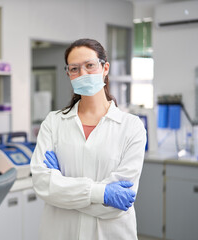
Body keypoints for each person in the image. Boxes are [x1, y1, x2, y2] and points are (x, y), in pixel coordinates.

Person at [30, 38, 146, 239]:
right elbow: (42, 184)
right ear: (68, 74)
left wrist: (61, 188)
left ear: (105, 68)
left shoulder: (131, 126)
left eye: (90, 66)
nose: (82, 74)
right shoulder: (53, 122)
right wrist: (101, 194)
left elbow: (117, 207)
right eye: (74, 69)